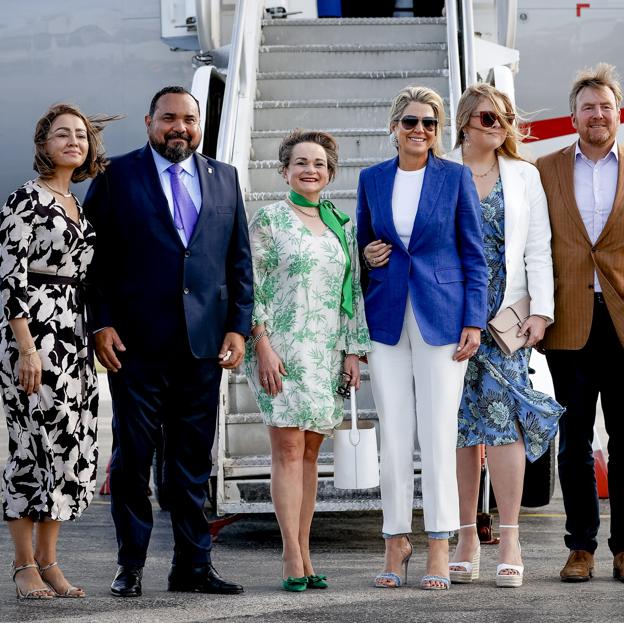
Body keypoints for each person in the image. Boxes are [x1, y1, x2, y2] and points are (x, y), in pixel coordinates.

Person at [83, 86, 253, 597]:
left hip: (202, 348)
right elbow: (96, 261)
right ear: (148, 122)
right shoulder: (116, 176)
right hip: (135, 346)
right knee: (133, 460)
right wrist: (101, 323)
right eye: (168, 119)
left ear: (200, 125)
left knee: (191, 464)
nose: (179, 128)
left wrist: (238, 326)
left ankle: (192, 568)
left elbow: (237, 261)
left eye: (188, 120)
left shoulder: (224, 177)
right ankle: (130, 566)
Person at [357, 86, 488, 590]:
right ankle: (395, 540)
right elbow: (365, 244)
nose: (419, 131)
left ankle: (438, 542)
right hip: (387, 316)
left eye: (429, 124)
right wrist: (368, 257)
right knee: (394, 433)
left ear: (439, 132)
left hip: (443, 317)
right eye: (410, 122)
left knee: (437, 432)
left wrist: (474, 321)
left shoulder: (454, 178)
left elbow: (474, 255)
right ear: (394, 127)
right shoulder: (372, 180)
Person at [445, 84, 564, 588]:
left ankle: (510, 536)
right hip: (448, 314)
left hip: (504, 320)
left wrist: (542, 312)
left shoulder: (524, 175)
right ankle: (467, 535)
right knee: (457, 429)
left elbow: (539, 248)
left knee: (503, 424)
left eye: (505, 117)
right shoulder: (440, 169)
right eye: (489, 117)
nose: (499, 125)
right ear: (466, 121)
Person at [246, 130, 371, 591]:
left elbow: (352, 291)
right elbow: (251, 286)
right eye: (300, 162)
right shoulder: (269, 220)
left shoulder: (342, 224)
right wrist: (261, 343)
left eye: (318, 163)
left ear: (330, 173)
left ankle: (306, 550)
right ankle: (290, 556)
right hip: (281, 350)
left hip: (325, 351)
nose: (310, 170)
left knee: (312, 454)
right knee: (288, 450)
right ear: (284, 171)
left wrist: (354, 352)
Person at [0, 103, 117, 599]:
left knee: (69, 446)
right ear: (43, 144)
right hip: (34, 335)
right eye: (63, 134)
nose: (74, 141)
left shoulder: (77, 202)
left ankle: (50, 562)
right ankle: (23, 564)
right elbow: (10, 277)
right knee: (31, 445)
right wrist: (26, 347)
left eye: (82, 136)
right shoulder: (25, 199)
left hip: (72, 332)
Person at [535, 63, 624, 583]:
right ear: (573, 115)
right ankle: (581, 547)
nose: (596, 115)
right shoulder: (545, 170)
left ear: (617, 114)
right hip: (567, 323)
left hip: (621, 323)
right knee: (572, 441)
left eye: (604, 106)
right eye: (587, 107)